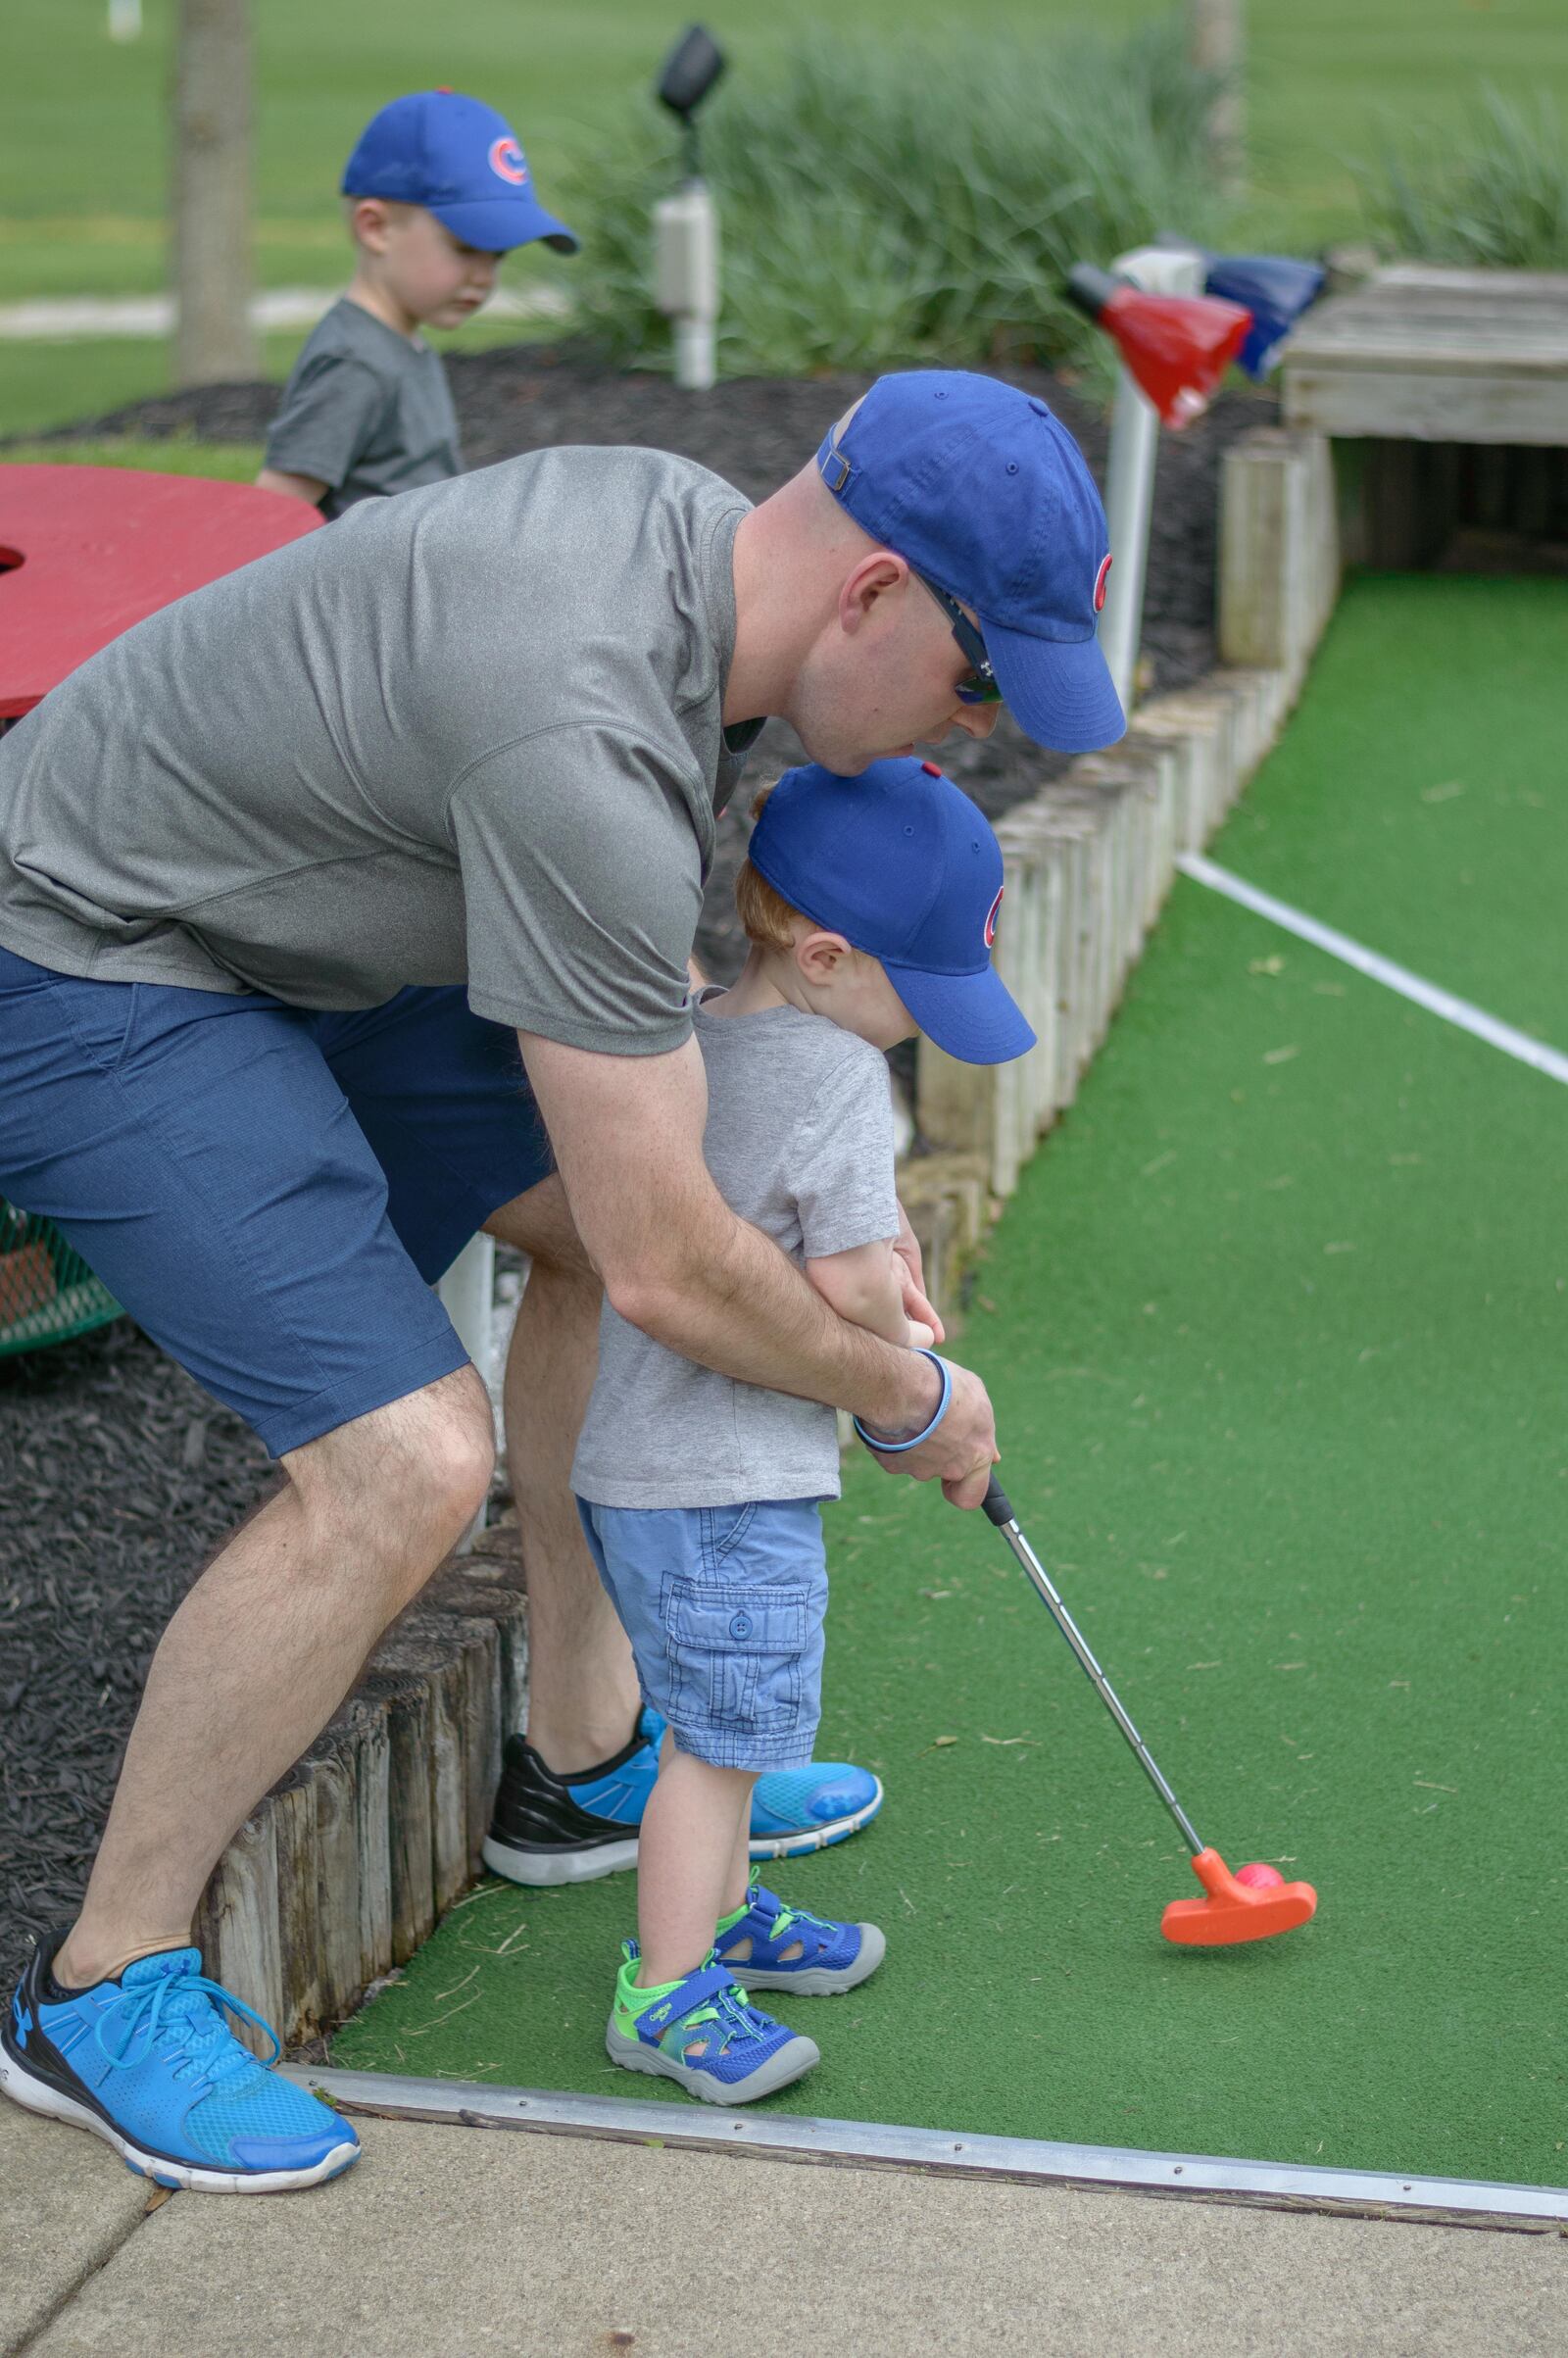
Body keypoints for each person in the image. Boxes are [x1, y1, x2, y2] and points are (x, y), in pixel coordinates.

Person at [0, 368, 1123, 2192]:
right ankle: (98, 1981)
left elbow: (644, 1073)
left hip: (291, 917)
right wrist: (910, 1396)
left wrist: (791, 1207)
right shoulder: (586, 726)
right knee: (405, 1464)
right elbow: (681, 1267)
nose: (971, 735)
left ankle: (580, 1754)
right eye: (976, 681)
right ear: (873, 597)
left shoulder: (689, 555)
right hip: (85, 955)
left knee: (609, 1216)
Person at [577, 756, 1036, 2104]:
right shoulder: (841, 1078)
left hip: (639, 1466)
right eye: (920, 994)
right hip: (724, 1479)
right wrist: (912, 1365)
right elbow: (840, 1286)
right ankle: (663, 1990)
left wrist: (865, 1265)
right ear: (830, 956)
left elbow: (772, 1229)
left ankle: (718, 1926)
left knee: (723, 1725)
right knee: (719, 1750)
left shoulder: (693, 1033)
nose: (920, 1027)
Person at [257, 88, 577, 518]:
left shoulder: (396, 343)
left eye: (498, 254)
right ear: (375, 228)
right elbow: (272, 510)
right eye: (466, 247)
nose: (485, 277)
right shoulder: (356, 362)